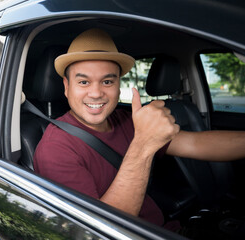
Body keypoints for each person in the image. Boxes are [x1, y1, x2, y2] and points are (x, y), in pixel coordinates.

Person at [33, 28, 245, 229]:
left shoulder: (127, 120)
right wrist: (143, 144)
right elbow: (99, 229)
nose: (96, 93)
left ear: (118, 86)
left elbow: (194, 143)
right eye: (84, 82)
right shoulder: (55, 149)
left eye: (107, 81)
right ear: (66, 86)